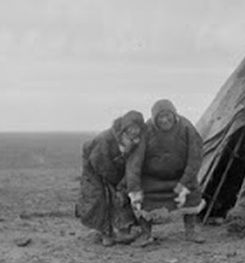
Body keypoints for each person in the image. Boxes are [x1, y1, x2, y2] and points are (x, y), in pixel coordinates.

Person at [126, 99, 205, 246]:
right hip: (152, 179)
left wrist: (184, 183)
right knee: (141, 199)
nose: (164, 120)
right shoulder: (146, 131)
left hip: (180, 177)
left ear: (174, 115)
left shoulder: (186, 127)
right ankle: (146, 233)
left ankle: (191, 230)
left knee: (193, 192)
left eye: (168, 115)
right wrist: (134, 189)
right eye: (160, 117)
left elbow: (195, 157)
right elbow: (134, 162)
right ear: (154, 118)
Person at [76, 110, 145, 246]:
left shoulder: (136, 141)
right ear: (125, 126)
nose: (134, 131)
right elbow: (98, 161)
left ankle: (120, 230)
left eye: (137, 128)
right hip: (95, 169)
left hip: (114, 170)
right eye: (131, 127)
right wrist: (116, 182)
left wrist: (121, 184)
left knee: (120, 197)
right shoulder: (106, 139)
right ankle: (105, 232)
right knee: (100, 198)